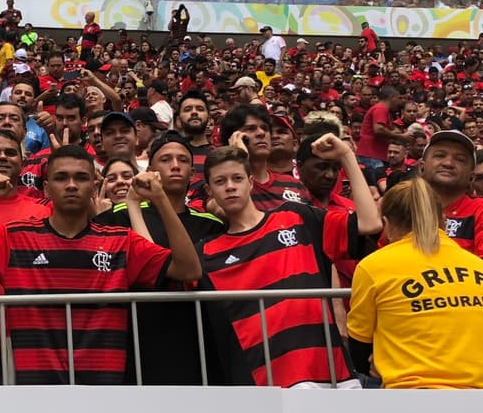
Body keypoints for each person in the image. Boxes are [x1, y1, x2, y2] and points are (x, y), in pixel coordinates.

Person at [0, 144, 202, 385]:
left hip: (105, 389)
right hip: (36, 389)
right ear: (47, 188)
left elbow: (188, 270)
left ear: (93, 186)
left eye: (82, 178)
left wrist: (160, 200)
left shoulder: (121, 242)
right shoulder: (13, 237)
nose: (72, 185)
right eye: (61, 178)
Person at [199, 136, 382, 387]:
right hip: (265, 385)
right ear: (209, 190)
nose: (230, 186)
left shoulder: (296, 215)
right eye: (220, 181)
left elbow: (370, 223)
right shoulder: (207, 252)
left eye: (237, 178)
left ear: (251, 183)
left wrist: (347, 156)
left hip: (329, 372)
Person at [95, 132, 223, 384]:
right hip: (136, 333)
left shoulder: (211, 225)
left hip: (193, 335)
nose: (175, 165)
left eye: (183, 160)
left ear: (192, 173)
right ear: (151, 170)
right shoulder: (118, 216)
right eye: (166, 159)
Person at [347, 179, 483, 389]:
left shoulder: (373, 266)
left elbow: (359, 347)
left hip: (408, 397)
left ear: (387, 223)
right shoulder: (478, 266)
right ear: (444, 220)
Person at [418, 130, 483, 257]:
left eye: (460, 159)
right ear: (421, 167)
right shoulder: (402, 207)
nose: (448, 163)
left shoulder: (480, 210)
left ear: (471, 177)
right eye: (440, 155)